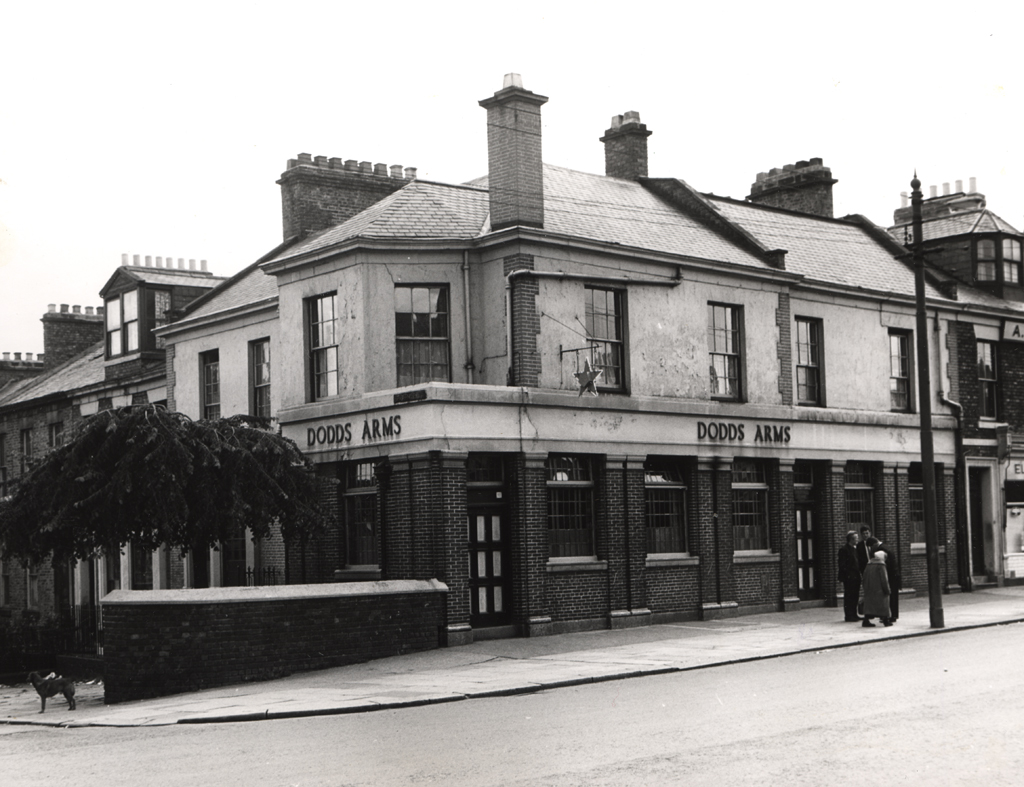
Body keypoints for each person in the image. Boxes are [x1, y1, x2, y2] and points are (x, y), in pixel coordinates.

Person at [867, 536, 901, 623]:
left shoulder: (881, 550)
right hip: (894, 575)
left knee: (889, 596)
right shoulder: (886, 546)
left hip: (890, 575)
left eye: (871, 547)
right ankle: (893, 615)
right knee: (893, 596)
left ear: (874, 544)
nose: (871, 549)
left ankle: (889, 616)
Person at [861, 550, 892, 627]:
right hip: (880, 590)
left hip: (869, 589)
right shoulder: (881, 565)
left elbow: (864, 577)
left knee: (869, 606)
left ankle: (866, 620)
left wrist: (865, 587)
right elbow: (884, 579)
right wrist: (887, 589)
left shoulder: (869, 564)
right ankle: (885, 620)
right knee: (883, 605)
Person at [837, 531, 862, 622]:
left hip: (856, 576)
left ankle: (854, 614)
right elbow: (842, 564)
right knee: (849, 596)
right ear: (851, 539)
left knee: (855, 595)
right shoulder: (844, 550)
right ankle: (849, 615)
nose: (858, 540)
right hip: (849, 577)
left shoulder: (855, 549)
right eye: (856, 538)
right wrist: (847, 575)